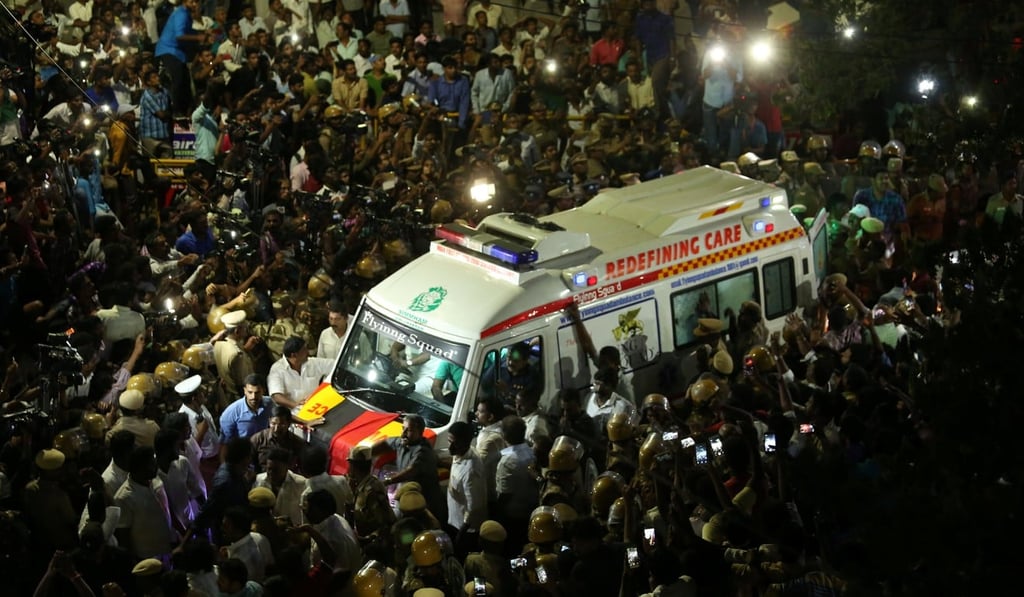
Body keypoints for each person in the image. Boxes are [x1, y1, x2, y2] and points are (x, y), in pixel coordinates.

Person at [372, 414, 445, 520]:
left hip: (421, 502)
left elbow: (410, 471)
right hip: (405, 495)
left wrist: (385, 482)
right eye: (403, 429)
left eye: (408, 430)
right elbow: (385, 445)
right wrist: (366, 454)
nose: (403, 434)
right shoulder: (404, 442)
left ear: (419, 433)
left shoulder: (423, 451)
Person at [113, 446, 176, 562]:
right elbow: (124, 534)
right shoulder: (124, 497)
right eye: (151, 465)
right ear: (139, 469)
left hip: (168, 546)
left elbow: (167, 510)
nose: (155, 467)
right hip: (148, 556)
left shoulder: (155, 480)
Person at [155, 0, 208, 115]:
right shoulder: (181, 14)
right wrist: (199, 37)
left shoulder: (186, 15)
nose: (195, 4)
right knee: (178, 80)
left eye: (196, 2)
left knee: (186, 83)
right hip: (169, 50)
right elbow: (180, 36)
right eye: (191, 1)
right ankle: (176, 110)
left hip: (178, 53)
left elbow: (188, 31)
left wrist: (204, 33)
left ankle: (185, 111)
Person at [303, 488, 363, 574]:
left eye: (308, 507)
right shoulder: (335, 518)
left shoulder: (332, 537)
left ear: (320, 510)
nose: (305, 511)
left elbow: (339, 574)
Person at [267, 336, 334, 408]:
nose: (307, 352)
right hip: (292, 414)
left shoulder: (314, 363)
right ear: (294, 355)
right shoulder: (277, 369)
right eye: (304, 350)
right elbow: (276, 396)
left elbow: (337, 365)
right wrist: (296, 405)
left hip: (316, 408)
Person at [446, 421, 486, 535]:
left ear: (466, 443)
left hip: (465, 528)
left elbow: (474, 506)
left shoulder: (471, 471)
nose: (450, 447)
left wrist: (463, 530)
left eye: (455, 443)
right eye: (449, 441)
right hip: (455, 516)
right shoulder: (460, 452)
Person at [254, 447, 307, 525]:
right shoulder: (259, 480)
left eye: (276, 470)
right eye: (269, 469)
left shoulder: (300, 484)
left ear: (287, 467)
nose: (271, 473)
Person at [220, 374, 275, 448]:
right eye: (250, 392)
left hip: (264, 449)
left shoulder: (270, 403)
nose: (253, 397)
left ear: (263, 390)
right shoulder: (231, 412)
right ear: (244, 391)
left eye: (257, 392)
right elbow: (225, 443)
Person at [214, 310, 258, 398]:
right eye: (244, 328)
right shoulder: (237, 354)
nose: (247, 330)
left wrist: (245, 348)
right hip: (240, 397)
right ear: (237, 331)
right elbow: (243, 383)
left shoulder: (218, 344)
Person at [176, 375, 220, 463]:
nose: (204, 392)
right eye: (201, 392)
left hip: (216, 454)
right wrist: (201, 432)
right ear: (194, 398)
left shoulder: (201, 407)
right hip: (204, 462)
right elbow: (190, 451)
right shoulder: (183, 419)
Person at [250, 406, 305, 472]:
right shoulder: (258, 439)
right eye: (273, 424)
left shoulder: (297, 442)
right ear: (269, 421)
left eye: (281, 424)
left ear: (289, 423)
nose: (276, 429)